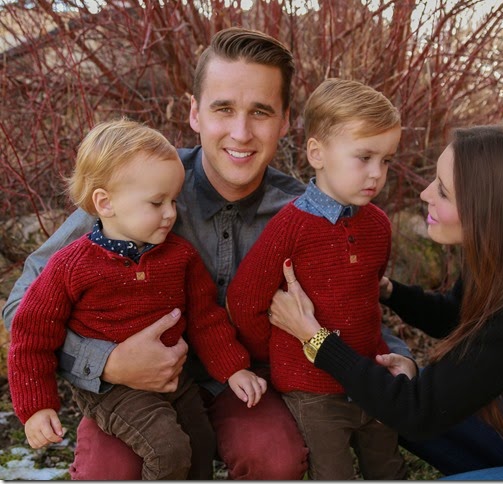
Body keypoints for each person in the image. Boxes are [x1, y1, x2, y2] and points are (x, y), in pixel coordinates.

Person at [2, 27, 413, 480]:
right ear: (195, 112)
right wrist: (106, 362)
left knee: (274, 456)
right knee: (109, 470)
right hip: (131, 390)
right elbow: (23, 306)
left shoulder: (305, 214)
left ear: (284, 121)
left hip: (244, 383)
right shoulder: (137, 186)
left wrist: (399, 356)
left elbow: (352, 299)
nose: (241, 132)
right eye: (223, 109)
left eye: (260, 112)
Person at [267, 123, 503, 480]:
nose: (425, 194)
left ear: (489, 211)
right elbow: (456, 317)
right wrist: (388, 290)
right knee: (387, 398)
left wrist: (315, 339)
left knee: (398, 402)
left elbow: (417, 412)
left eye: (442, 190)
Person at [8, 119, 268, 479]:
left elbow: (205, 319)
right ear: (105, 203)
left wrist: (233, 367)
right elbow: (32, 334)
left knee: (200, 442)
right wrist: (37, 407)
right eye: (157, 202)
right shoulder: (71, 266)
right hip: (113, 390)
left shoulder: (179, 257)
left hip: (175, 381)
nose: (171, 214)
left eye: (174, 201)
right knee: (168, 450)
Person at [226, 78, 406, 479]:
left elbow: (368, 293)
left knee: (388, 465)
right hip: (311, 387)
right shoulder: (290, 227)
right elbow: (244, 300)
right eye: (364, 157)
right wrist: (279, 352)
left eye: (386, 160)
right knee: (333, 472)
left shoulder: (378, 224)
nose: (377, 174)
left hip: (368, 374)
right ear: (317, 153)